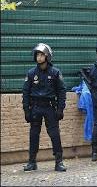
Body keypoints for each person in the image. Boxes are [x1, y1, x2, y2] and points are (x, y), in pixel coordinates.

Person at [22, 43, 67, 172]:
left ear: (47, 56)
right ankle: (32, 162)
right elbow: (25, 92)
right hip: (35, 107)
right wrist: (26, 110)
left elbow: (62, 92)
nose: (39, 57)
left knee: (54, 135)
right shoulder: (31, 73)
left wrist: (60, 109)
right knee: (34, 135)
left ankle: (59, 162)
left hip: (50, 108)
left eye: (41, 55)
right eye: (37, 55)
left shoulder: (55, 72)